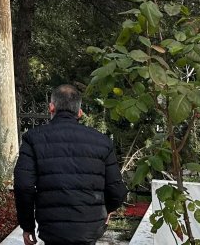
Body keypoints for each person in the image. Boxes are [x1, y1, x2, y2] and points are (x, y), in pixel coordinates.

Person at [14, 84, 127, 245]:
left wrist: (28, 226)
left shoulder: (33, 138)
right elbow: (117, 190)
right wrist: (105, 210)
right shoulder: (102, 142)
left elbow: (23, 186)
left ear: (51, 107)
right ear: (80, 113)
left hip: (51, 229)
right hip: (90, 229)